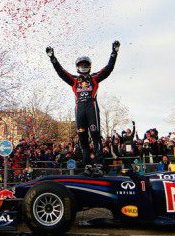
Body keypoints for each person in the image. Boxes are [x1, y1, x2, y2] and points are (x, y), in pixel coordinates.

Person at [46, 40, 120, 176]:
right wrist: (53, 58)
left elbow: (108, 69)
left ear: (90, 66)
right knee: (83, 140)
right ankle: (87, 166)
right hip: (79, 111)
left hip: (92, 110)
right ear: (77, 67)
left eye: (86, 65)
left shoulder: (95, 78)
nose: (84, 67)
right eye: (81, 65)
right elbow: (61, 72)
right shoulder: (74, 80)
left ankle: (98, 165)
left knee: (96, 137)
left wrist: (114, 53)